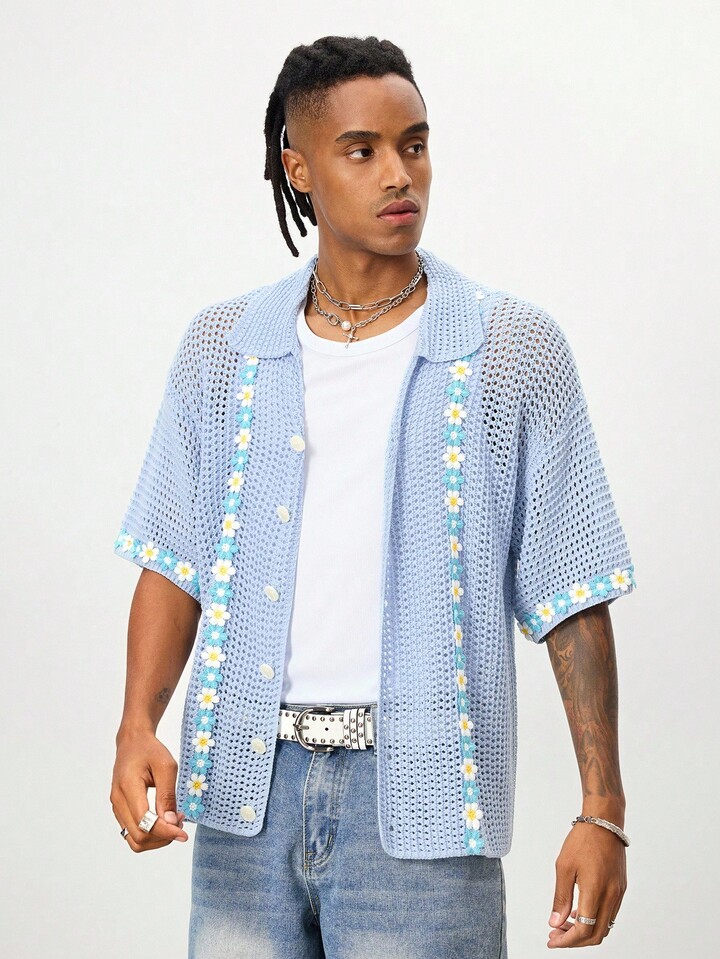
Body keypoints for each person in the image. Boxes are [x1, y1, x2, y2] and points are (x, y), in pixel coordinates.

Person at [110, 35, 636, 957]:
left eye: (414, 144)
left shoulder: (510, 349)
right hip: (242, 801)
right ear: (299, 168)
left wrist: (603, 809)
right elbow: (175, 557)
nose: (400, 174)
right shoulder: (224, 348)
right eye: (362, 150)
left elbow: (571, 589)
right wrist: (135, 727)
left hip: (424, 805)